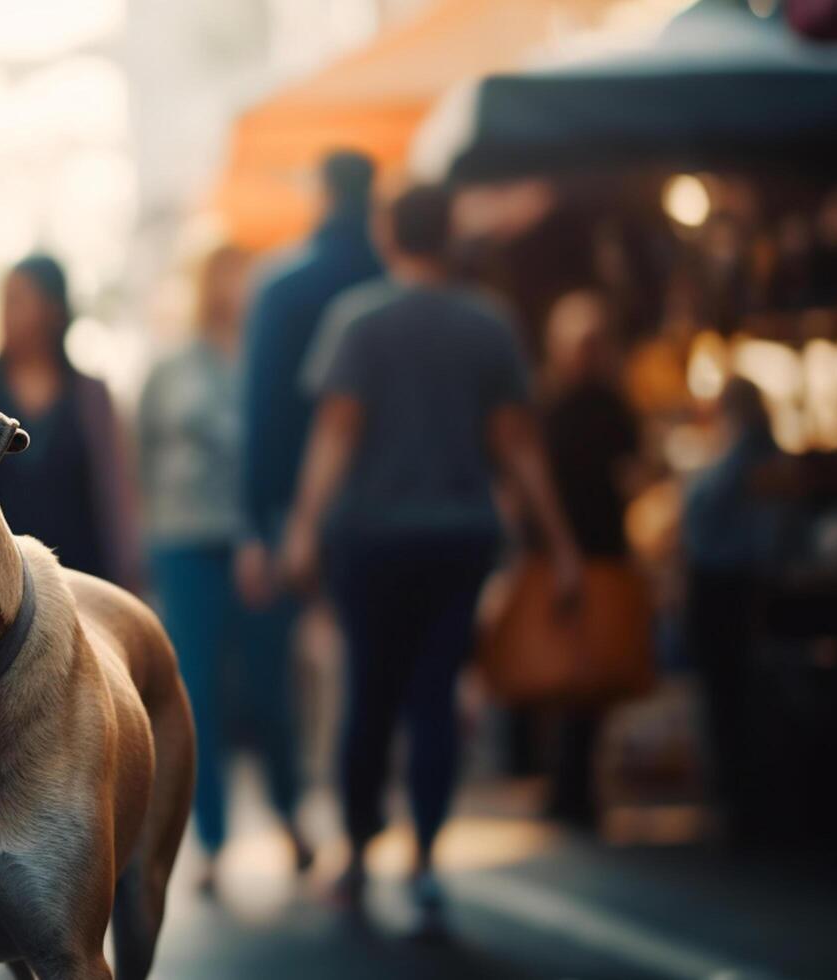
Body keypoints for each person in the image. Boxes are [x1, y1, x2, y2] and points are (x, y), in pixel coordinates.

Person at [279, 184, 582, 936]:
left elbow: (336, 435)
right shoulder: (490, 325)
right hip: (459, 538)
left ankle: (354, 858)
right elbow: (518, 446)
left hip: (370, 540)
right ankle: (426, 866)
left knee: (368, 698)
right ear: (449, 236)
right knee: (435, 698)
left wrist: (304, 528)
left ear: (388, 234)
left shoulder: (359, 321)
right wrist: (564, 545)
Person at [137, 245, 312, 897]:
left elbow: (290, 459)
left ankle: (291, 816)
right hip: (184, 544)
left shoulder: (274, 364)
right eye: (226, 277)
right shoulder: (171, 368)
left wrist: (278, 535)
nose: (235, 290)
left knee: (271, 689)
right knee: (196, 695)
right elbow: (142, 457)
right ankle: (209, 841)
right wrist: (145, 544)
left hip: (260, 545)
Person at [236, 150, 383, 611]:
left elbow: (261, 407)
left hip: (302, 502)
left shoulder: (282, 286)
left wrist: (256, 524)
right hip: (397, 500)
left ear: (324, 194)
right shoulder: (393, 277)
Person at [0, 254, 139, 588]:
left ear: (54, 311)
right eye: (5, 301)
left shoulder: (91, 397)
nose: (7, 312)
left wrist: (129, 572)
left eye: (19, 300)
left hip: (81, 579)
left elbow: (114, 489)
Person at [536, 291, 643, 827]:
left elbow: (633, 472)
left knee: (593, 671)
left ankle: (576, 784)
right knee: (562, 669)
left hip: (601, 548)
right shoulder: (551, 406)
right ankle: (565, 782)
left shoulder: (611, 405)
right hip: (566, 550)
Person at [679, 376, 783, 844]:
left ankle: (742, 805)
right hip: (741, 585)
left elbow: (702, 512)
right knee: (737, 698)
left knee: (730, 700)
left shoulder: (744, 457)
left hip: (729, 586)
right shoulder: (756, 455)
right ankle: (743, 803)